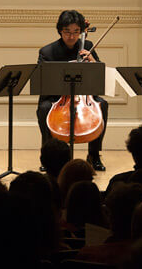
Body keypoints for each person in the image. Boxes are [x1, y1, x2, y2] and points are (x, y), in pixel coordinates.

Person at [36, 10, 108, 171]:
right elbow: (43, 81)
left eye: (76, 32)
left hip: (83, 97)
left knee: (103, 104)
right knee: (43, 108)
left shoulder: (87, 46)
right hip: (56, 98)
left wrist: (93, 60)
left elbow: (99, 75)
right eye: (67, 32)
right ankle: (49, 156)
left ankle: (94, 155)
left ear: (81, 32)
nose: (71, 36)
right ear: (60, 30)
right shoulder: (47, 52)